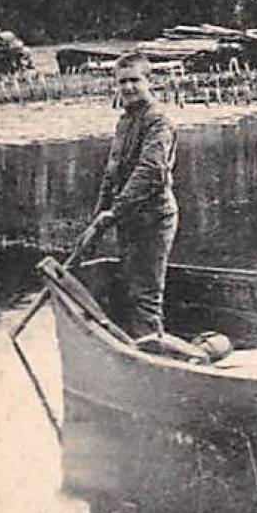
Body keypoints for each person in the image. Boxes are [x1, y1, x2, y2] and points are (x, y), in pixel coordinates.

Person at [80, 52, 179, 339]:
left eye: (135, 80)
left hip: (153, 219)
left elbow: (150, 172)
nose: (128, 88)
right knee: (132, 289)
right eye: (122, 82)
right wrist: (97, 219)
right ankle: (143, 346)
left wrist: (113, 214)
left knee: (145, 295)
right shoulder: (125, 122)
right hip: (129, 221)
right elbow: (112, 174)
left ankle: (154, 359)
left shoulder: (158, 122)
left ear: (150, 82)